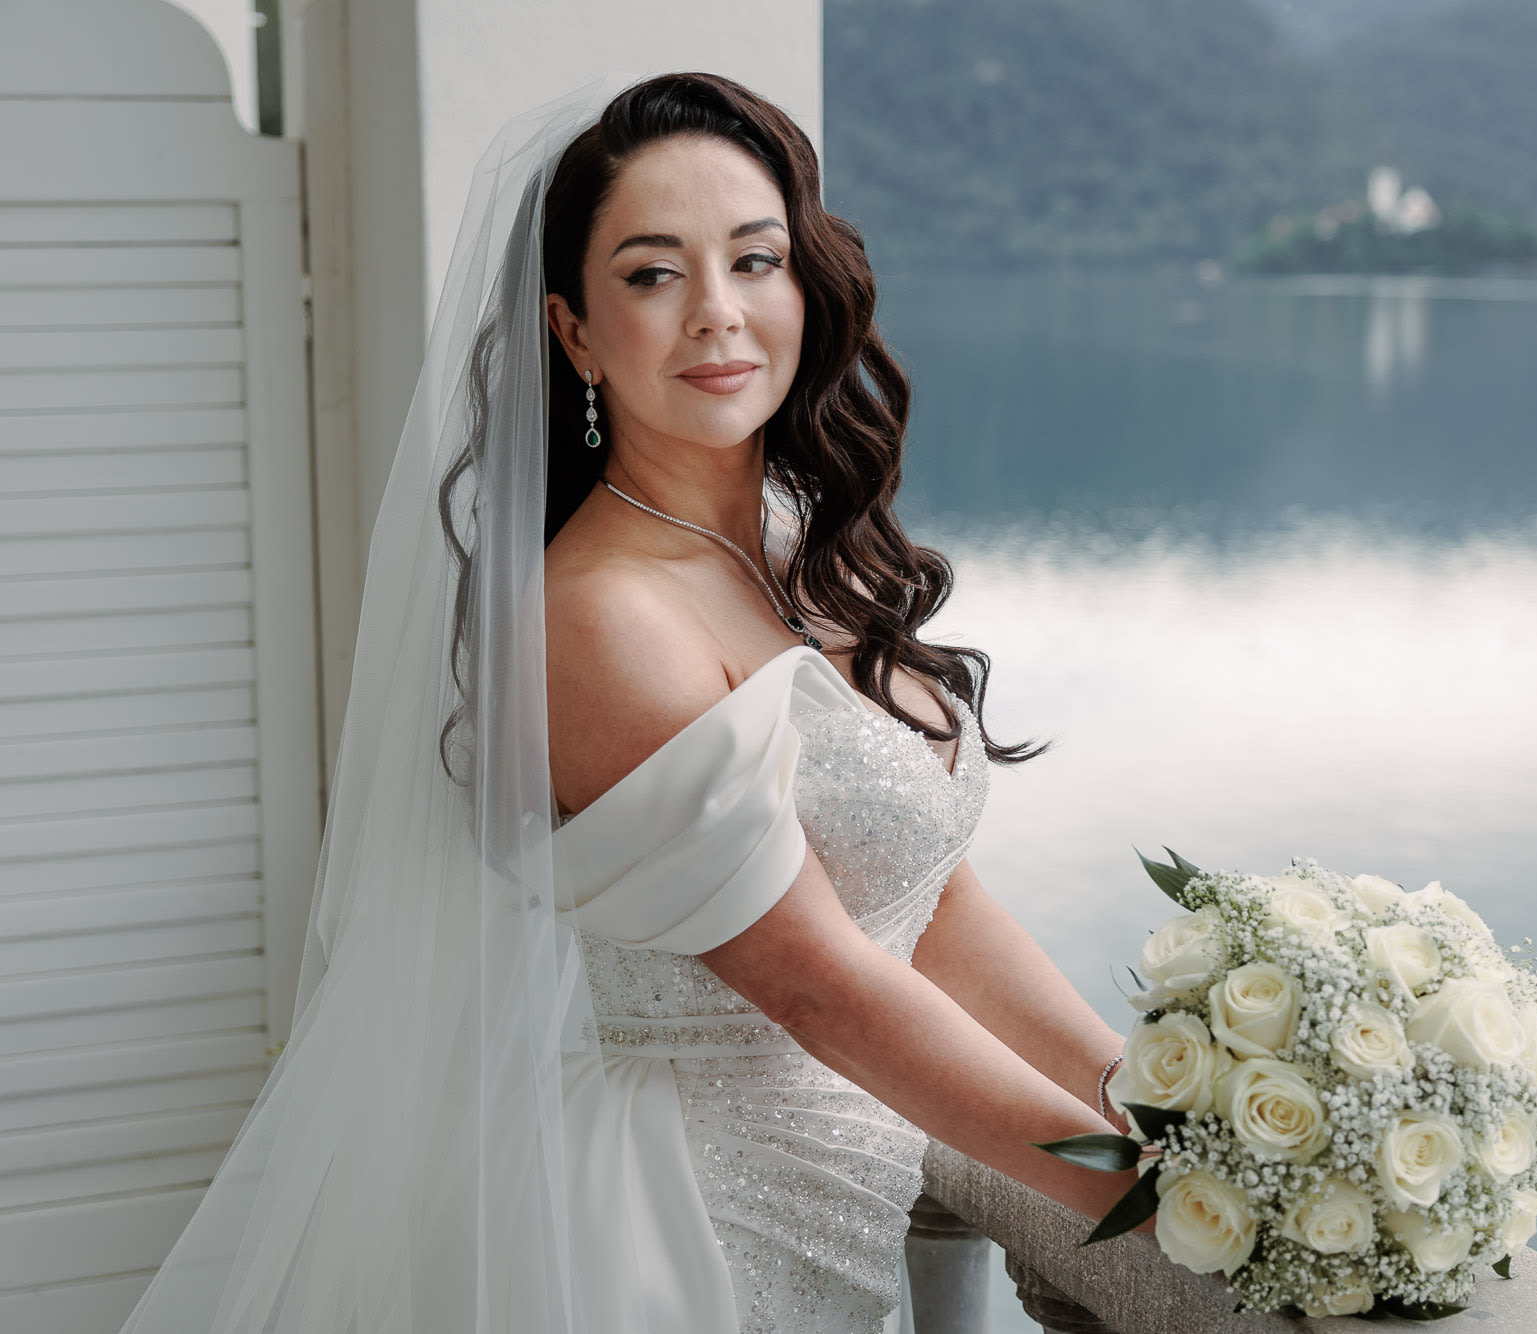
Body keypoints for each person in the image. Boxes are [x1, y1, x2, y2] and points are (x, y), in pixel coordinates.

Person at [119, 71, 1143, 1334]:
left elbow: (930, 903)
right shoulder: (599, 615)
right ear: (576, 333)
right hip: (699, 1236)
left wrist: (1148, 1096)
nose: (718, 312)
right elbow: (823, 988)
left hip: (848, 1193)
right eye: (653, 274)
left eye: (754, 260)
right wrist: (1141, 1193)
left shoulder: (806, 547)